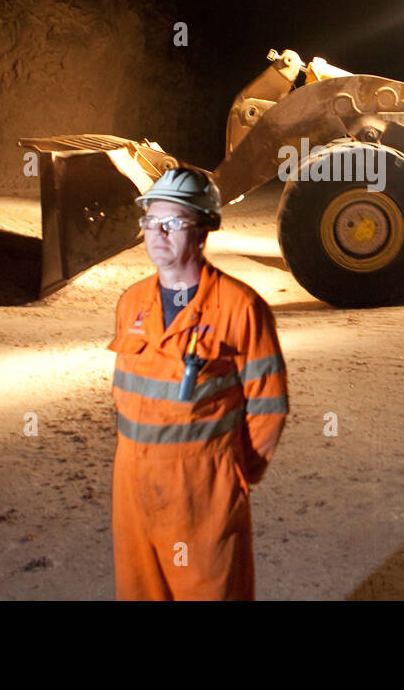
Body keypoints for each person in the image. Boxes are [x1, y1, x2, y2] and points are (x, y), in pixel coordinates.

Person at [106, 167, 288, 600]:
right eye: (151, 221)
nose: (158, 233)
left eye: (173, 223)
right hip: (132, 488)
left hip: (203, 494)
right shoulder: (132, 302)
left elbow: (268, 407)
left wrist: (228, 474)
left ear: (205, 230)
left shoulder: (240, 308)